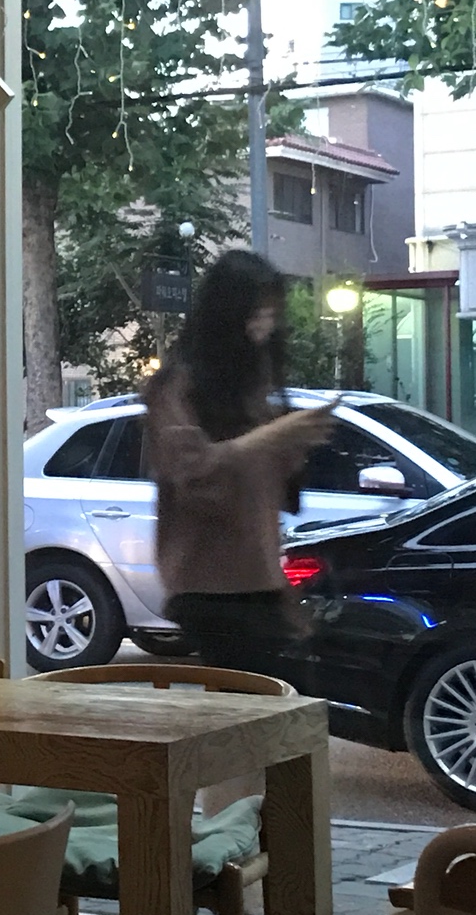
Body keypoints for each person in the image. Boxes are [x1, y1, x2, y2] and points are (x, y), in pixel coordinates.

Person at [144, 249, 338, 676]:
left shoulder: (253, 391)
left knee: (283, 700)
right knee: (261, 704)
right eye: (256, 311)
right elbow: (194, 473)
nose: (265, 324)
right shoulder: (177, 386)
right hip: (207, 588)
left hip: (257, 583)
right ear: (228, 314)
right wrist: (273, 437)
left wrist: (292, 448)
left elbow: (262, 504)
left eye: (272, 312)